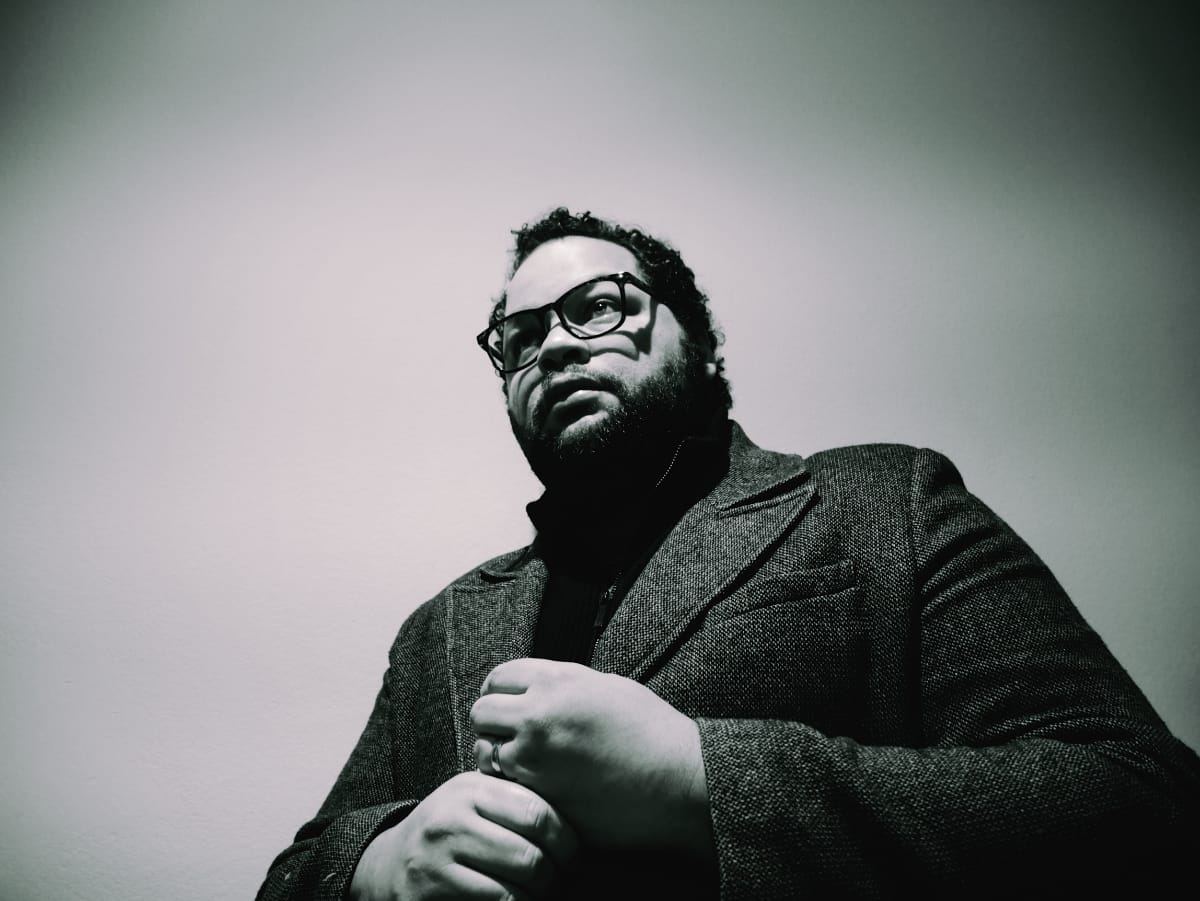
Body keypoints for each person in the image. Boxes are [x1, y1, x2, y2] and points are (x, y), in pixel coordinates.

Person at [257, 208, 1200, 900]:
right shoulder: (440, 625)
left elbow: (1143, 805)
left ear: (697, 343)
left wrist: (701, 780)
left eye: (599, 306)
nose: (553, 347)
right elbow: (293, 872)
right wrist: (376, 865)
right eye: (522, 335)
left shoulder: (883, 499)